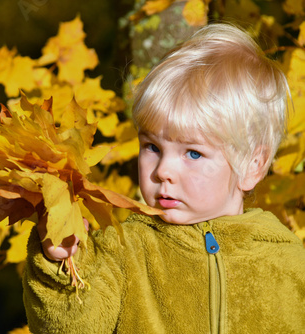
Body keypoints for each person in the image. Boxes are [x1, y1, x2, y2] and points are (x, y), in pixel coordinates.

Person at [22, 23, 305, 333]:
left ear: (253, 164)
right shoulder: (122, 251)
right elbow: (69, 326)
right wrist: (61, 265)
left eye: (193, 153)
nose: (163, 170)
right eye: (153, 147)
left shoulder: (290, 262)